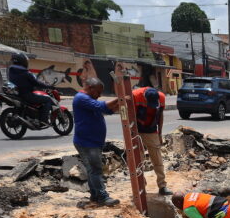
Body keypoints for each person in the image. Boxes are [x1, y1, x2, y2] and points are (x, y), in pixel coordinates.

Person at [72, 77, 121, 208]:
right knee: (95, 170)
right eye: (98, 92)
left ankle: (95, 195)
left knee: (92, 170)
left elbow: (107, 110)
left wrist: (120, 104)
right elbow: (102, 106)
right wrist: (121, 97)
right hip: (87, 142)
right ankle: (102, 196)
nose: (99, 95)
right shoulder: (81, 98)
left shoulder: (89, 100)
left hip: (92, 141)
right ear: (90, 88)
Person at [132, 85, 171, 195]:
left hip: (152, 129)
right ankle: (141, 186)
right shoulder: (136, 96)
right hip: (137, 130)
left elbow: (160, 116)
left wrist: (160, 133)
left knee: (157, 158)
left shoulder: (161, 97)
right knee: (138, 159)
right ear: (144, 98)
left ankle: (162, 186)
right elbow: (131, 116)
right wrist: (134, 134)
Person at [7, 53, 55, 124]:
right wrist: (48, 86)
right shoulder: (26, 73)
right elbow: (36, 83)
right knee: (48, 100)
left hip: (17, 94)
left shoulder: (11, 71)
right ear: (23, 62)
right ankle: (43, 120)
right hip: (27, 95)